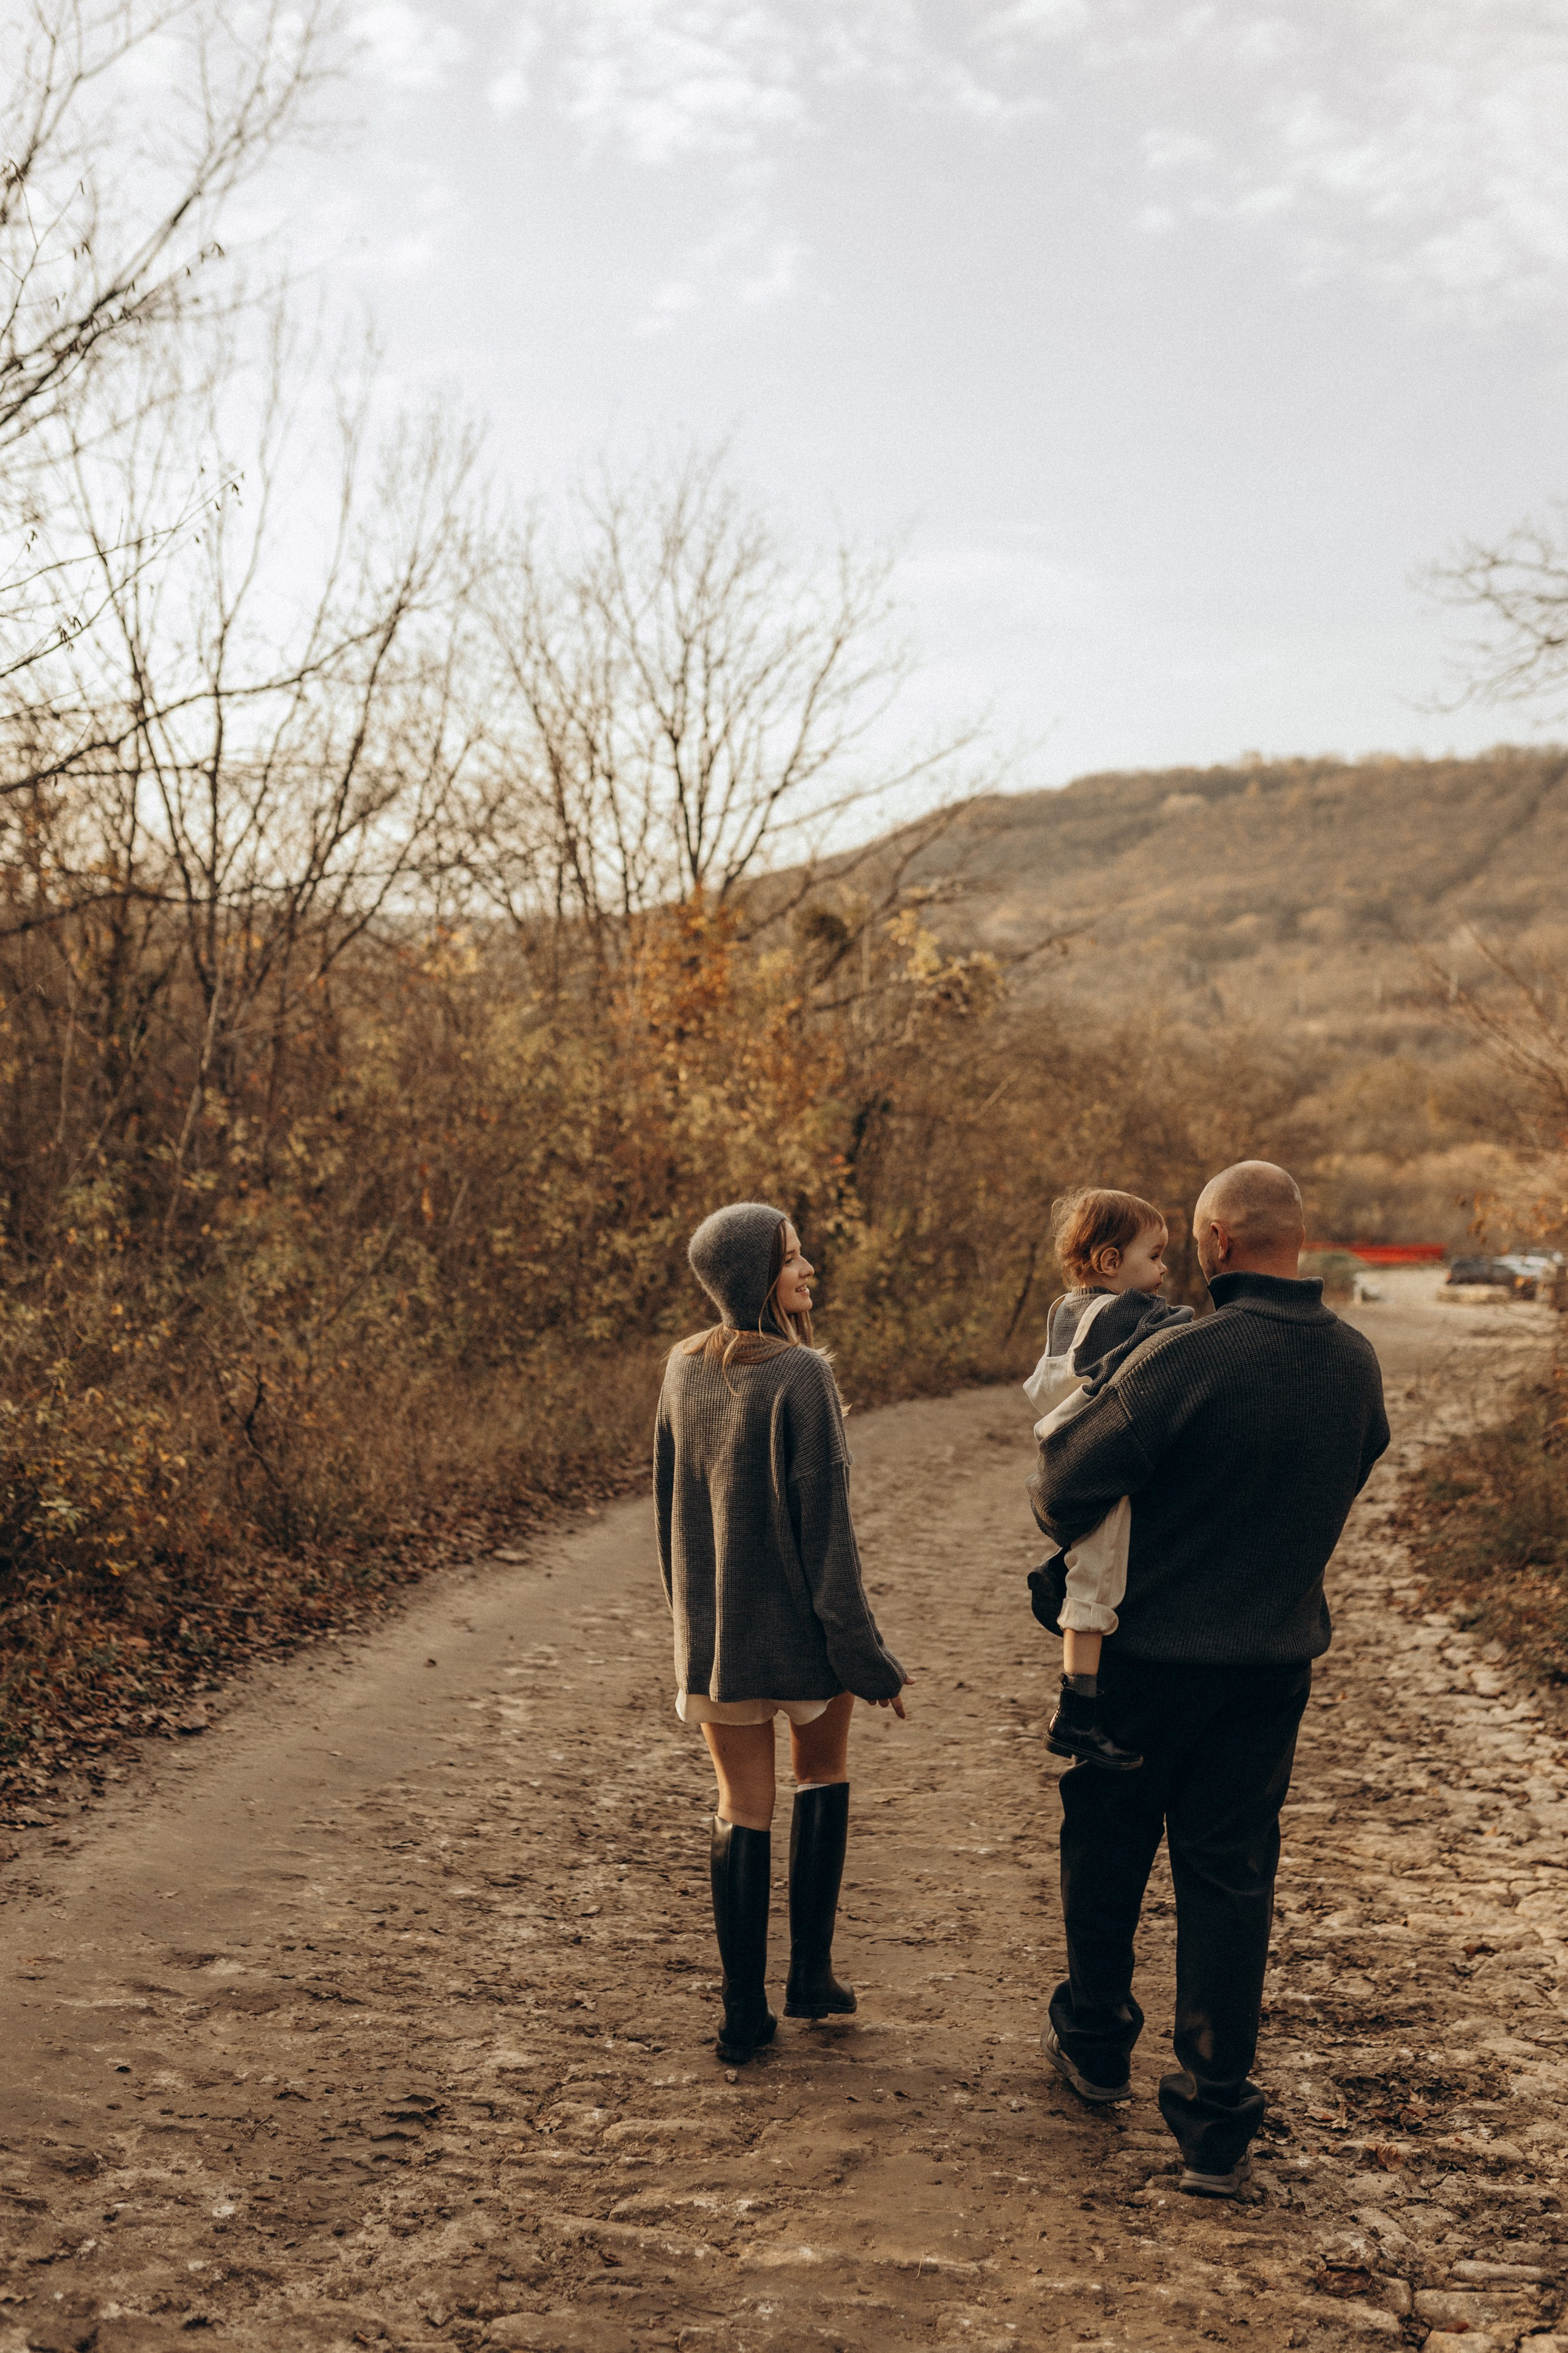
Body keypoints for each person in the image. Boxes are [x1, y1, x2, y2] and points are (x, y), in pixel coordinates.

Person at [1027, 1160, 1389, 2196]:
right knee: (1229, 1880)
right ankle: (1217, 2124)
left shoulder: (1186, 1357)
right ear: (1297, 1238)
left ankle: (1097, 2044)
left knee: (1106, 1847)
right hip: (1272, 1667)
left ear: (1220, 1241)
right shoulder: (1355, 1363)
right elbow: (1358, 1459)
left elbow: (1064, 1489)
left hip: (1148, 1664)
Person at [654, 1199, 908, 2065]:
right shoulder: (803, 1374)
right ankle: (809, 1977)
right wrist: (864, 1656)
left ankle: (741, 2014)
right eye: (792, 1258)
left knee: (741, 1807)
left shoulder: (681, 1368)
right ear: (754, 1277)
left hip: (719, 1636)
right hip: (800, 1637)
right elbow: (828, 1534)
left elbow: (669, 1507)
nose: (808, 1270)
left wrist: (689, 1626)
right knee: (823, 1773)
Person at [1021, 1188, 1193, 1770]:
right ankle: (1076, 1714)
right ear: (1111, 1262)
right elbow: (1179, 1329)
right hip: (1095, 1457)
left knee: (1087, 1567)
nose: (1165, 1268)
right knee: (1094, 1583)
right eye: (1156, 1255)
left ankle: (1059, 1595)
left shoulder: (1065, 1309)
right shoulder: (1117, 1313)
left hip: (1069, 1453)